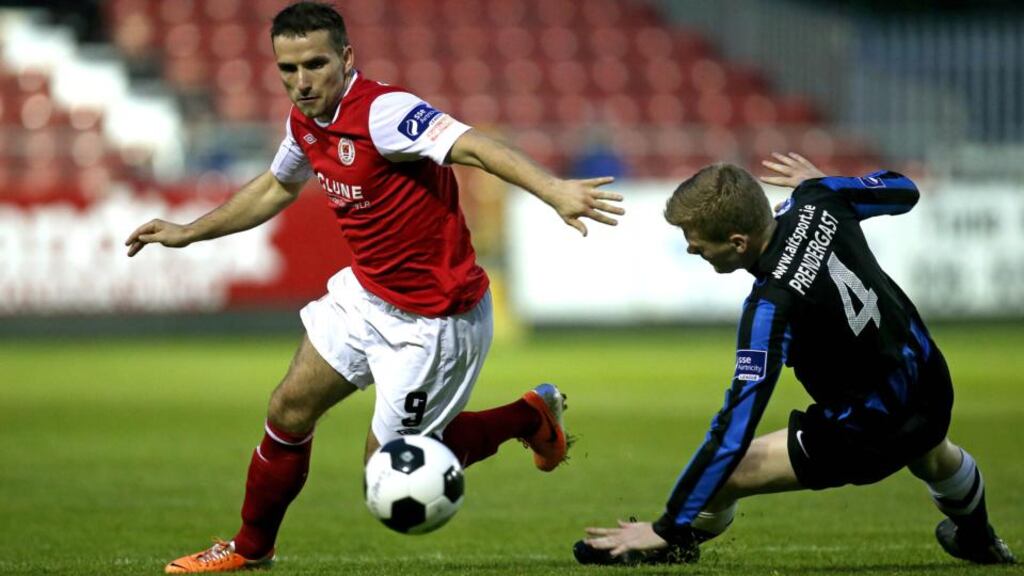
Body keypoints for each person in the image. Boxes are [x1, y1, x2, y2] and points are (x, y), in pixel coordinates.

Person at [124, 3, 624, 573]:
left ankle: (528, 416)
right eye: (287, 69)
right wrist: (191, 232)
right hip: (367, 296)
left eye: (314, 64)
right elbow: (273, 189)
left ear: (346, 57)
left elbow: (475, 146)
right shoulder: (304, 120)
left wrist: (553, 189)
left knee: (384, 473)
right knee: (288, 408)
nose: (301, 81)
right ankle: (249, 549)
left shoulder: (385, 112)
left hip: (435, 320)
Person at [574, 153, 1015, 566]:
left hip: (865, 433)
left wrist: (667, 523)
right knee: (932, 454)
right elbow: (904, 191)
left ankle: (673, 546)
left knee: (725, 473)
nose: (692, 250)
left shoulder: (772, 305)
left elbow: (736, 424)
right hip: (928, 382)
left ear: (738, 242)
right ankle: (978, 537)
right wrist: (824, 181)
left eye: (697, 242)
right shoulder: (819, 199)